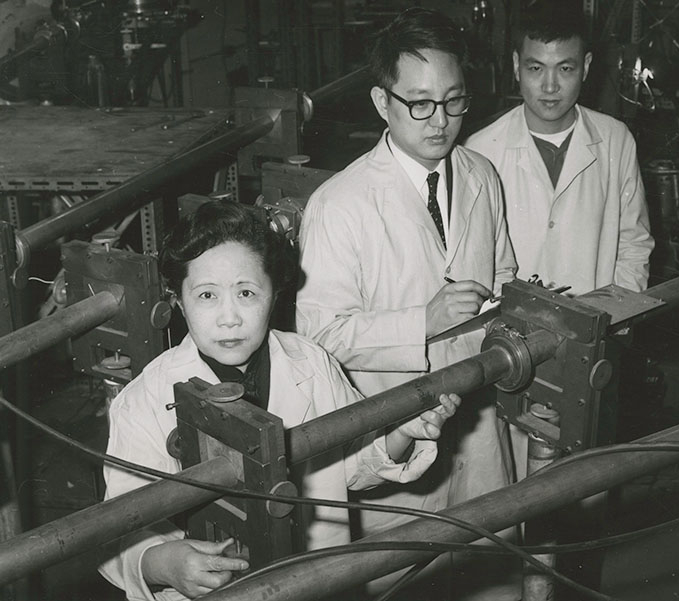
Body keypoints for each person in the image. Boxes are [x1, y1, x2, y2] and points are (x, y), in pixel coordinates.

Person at [98, 201, 461, 601]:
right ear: (180, 302)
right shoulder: (145, 400)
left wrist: (399, 433)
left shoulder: (311, 362)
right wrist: (163, 563)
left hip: (318, 583)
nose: (229, 317)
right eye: (206, 295)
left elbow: (354, 466)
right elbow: (116, 529)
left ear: (274, 296)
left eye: (247, 293)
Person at [296, 7, 518, 599]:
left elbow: (504, 278)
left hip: (478, 425)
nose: (440, 121)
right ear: (381, 101)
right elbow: (318, 337)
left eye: (453, 101)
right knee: (400, 584)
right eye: (419, 103)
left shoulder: (483, 175)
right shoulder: (338, 204)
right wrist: (423, 321)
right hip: (389, 442)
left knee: (490, 575)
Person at [466, 2, 653, 298]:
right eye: (536, 68)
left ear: (586, 66)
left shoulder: (616, 140)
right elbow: (473, 261)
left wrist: (612, 319)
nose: (550, 86)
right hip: (510, 331)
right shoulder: (479, 150)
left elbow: (633, 243)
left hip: (596, 327)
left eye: (565, 68)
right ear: (517, 66)